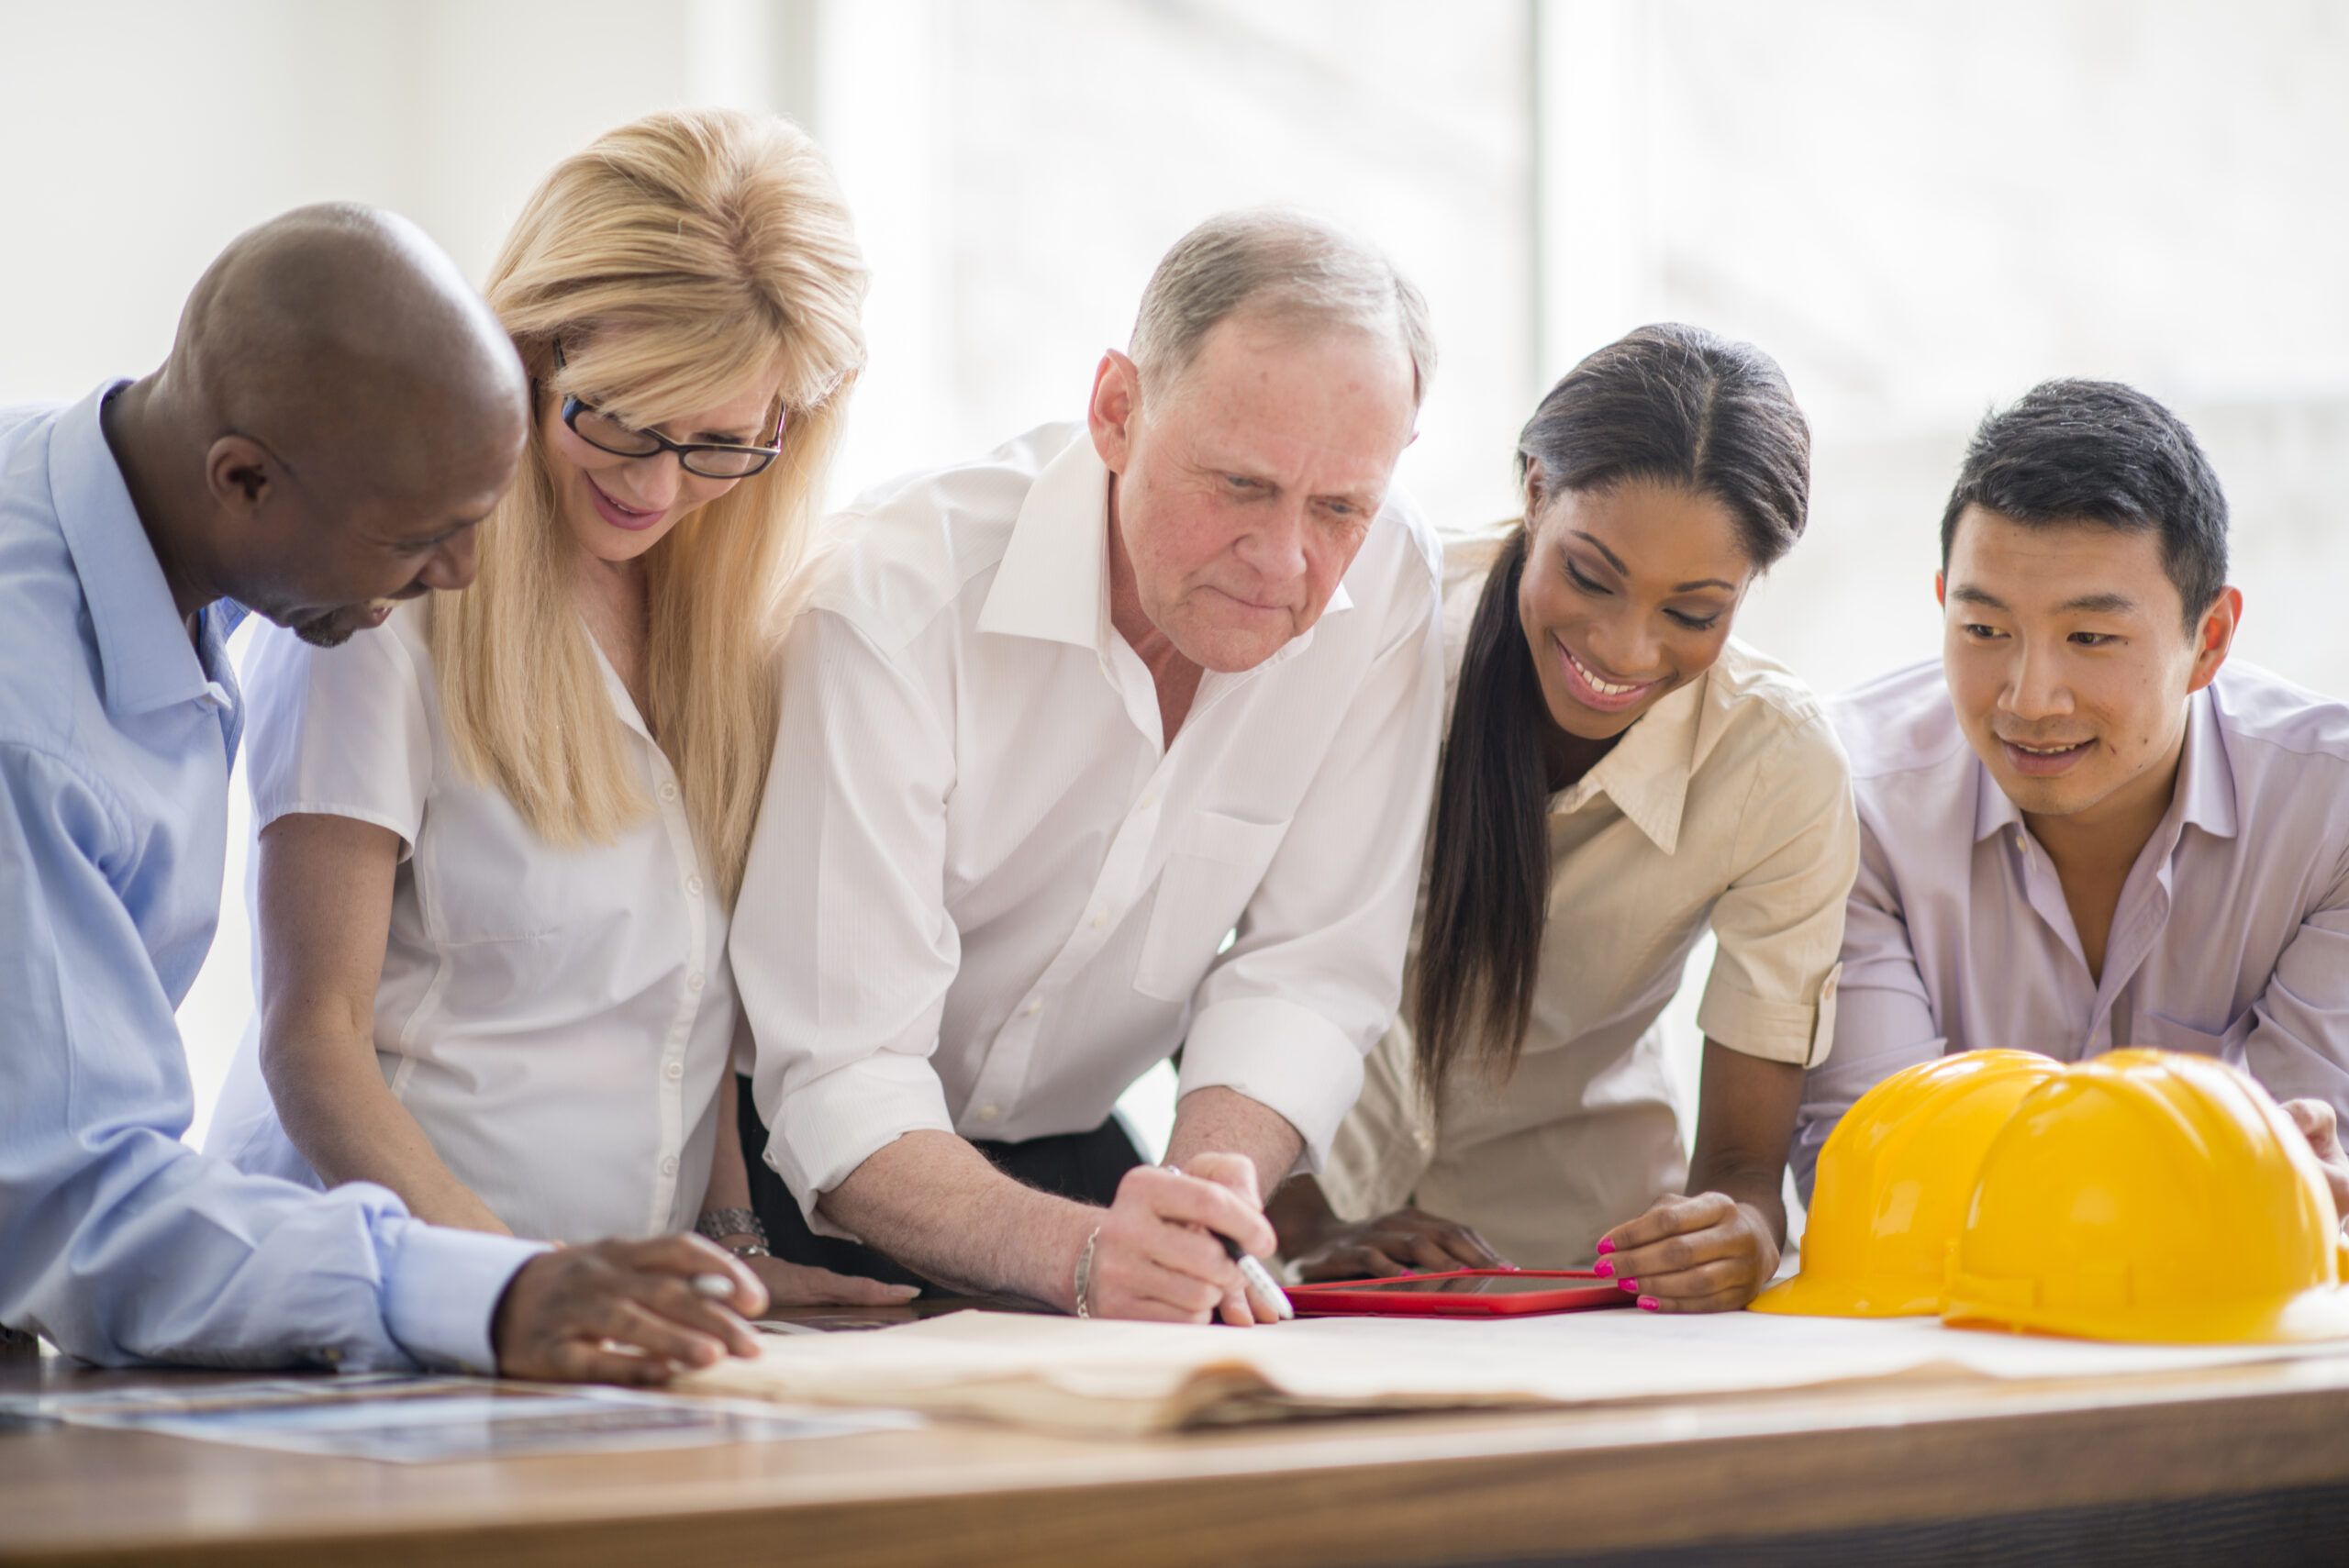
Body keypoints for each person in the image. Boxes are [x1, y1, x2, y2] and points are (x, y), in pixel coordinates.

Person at [0, 204, 770, 1379]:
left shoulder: (123, 518)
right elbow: (69, 1198)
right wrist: (491, 1287)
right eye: (421, 539)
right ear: (244, 479)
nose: (456, 577)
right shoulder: (33, 712)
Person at [204, 113, 907, 1310]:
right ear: (527, 347)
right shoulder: (388, 606)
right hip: (368, 1305)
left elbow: (689, 1012)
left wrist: (733, 1250)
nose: (654, 485)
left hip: (598, 1329)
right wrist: (519, 1291)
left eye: (717, 444)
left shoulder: (733, 635)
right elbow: (310, 1042)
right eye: (619, 417)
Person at [727, 208, 1445, 1323]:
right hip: (808, 1179)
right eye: (1241, 486)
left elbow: (1307, 965)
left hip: (1085, 1162)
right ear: (1117, 410)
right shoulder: (891, 605)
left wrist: (1205, 1212)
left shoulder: (1390, 586)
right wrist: (1091, 1250)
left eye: (1340, 506)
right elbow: (841, 1072)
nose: (1284, 559)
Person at [1268, 325, 1856, 1312]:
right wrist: (1298, 1219)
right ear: (1534, 491)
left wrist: (1738, 1236)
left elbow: (1744, 1173)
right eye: (1590, 576)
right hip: (1292, 1250)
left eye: (1694, 611)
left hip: (1583, 1270)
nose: (1624, 647)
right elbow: (1201, 935)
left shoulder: (1776, 763)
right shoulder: (1362, 633)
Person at [1795, 380, 2349, 1196]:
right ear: (1943, 602)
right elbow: (1882, 1179)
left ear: (2210, 640)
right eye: (1985, 630)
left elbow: (2296, 1176)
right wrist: (2198, 1171)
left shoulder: (2328, 817)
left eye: (2090, 637)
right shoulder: (1847, 796)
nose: (2029, 698)